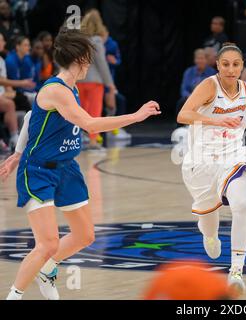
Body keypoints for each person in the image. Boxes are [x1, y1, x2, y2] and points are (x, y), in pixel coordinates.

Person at [0, 27, 160, 300]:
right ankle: (14, 296)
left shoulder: (69, 87)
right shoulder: (57, 90)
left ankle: (46, 270)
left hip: (66, 168)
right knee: (48, 243)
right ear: (82, 58)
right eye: (90, 58)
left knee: (85, 235)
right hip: (38, 170)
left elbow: (29, 118)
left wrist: (15, 152)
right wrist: (134, 116)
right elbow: (89, 124)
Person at [177, 43, 246, 295]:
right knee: (208, 223)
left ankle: (236, 271)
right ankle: (210, 235)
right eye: (226, 64)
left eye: (236, 64)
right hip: (202, 159)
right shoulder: (209, 86)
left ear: (242, 66)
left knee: (242, 205)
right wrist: (215, 119)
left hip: (234, 156)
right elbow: (183, 114)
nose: (231, 69)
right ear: (218, 66)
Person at [78, 9, 116, 149]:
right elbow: (101, 63)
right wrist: (110, 83)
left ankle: (77, 140)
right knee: (94, 111)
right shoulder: (97, 40)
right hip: (94, 81)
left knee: (79, 111)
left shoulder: (79, 40)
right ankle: (93, 141)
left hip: (80, 79)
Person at [176, 48, 217, 115]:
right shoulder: (189, 72)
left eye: (202, 58)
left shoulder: (212, 72)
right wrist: (188, 96)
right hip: (190, 98)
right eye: (198, 58)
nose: (200, 61)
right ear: (194, 60)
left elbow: (214, 89)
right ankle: (180, 124)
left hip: (206, 99)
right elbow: (184, 89)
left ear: (206, 60)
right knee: (181, 102)